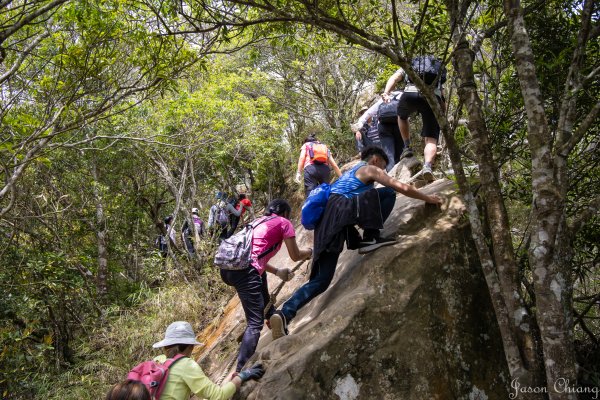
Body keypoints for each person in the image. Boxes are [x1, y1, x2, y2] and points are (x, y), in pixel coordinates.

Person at [270, 146, 443, 339]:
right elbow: (398, 186)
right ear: (376, 160)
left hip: (325, 223)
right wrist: (427, 197)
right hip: (341, 212)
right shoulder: (369, 168)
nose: (383, 171)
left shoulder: (346, 176)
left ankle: (284, 313)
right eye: (384, 167)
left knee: (321, 280)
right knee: (387, 193)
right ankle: (371, 237)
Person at [220, 199, 312, 372]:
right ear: (285, 213)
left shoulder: (257, 222)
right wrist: (310, 252)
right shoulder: (284, 223)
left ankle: (273, 318)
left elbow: (255, 258)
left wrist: (277, 272)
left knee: (260, 279)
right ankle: (241, 371)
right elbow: (295, 254)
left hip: (228, 270)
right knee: (254, 323)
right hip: (245, 271)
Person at [151, 321, 264, 400]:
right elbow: (219, 396)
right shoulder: (186, 365)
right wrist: (242, 376)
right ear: (191, 346)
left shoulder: (157, 361)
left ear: (166, 346)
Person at [382, 56, 447, 182]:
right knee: (431, 139)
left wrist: (386, 92)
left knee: (402, 116)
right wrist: (441, 113)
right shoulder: (437, 68)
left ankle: (407, 146)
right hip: (433, 98)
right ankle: (427, 166)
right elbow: (442, 95)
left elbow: (395, 78)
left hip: (410, 94)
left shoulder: (411, 63)